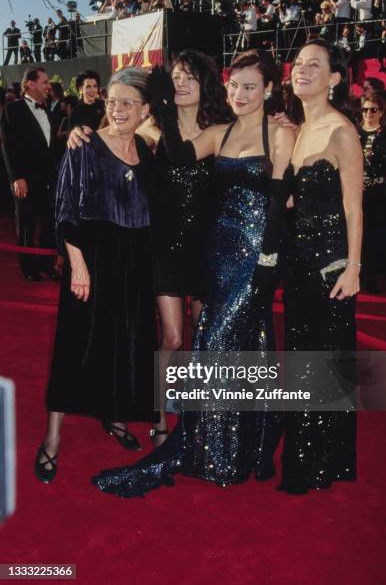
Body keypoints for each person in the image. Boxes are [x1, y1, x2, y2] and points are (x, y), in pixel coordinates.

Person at [91, 49, 295, 498]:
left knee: (228, 341)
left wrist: (270, 256)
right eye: (235, 85)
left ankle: (228, 437)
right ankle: (184, 426)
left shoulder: (261, 130)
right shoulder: (196, 132)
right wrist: (87, 132)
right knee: (188, 340)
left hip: (231, 254)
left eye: (249, 86)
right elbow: (161, 155)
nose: (239, 93)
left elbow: (283, 197)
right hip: (186, 249)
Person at [69, 50, 234, 447]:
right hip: (163, 245)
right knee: (173, 338)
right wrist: (84, 133)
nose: (180, 82)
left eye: (189, 76)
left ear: (205, 84)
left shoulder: (224, 128)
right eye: (175, 75)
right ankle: (158, 415)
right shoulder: (152, 130)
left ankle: (196, 412)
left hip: (207, 246)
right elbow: (114, 142)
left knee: (204, 337)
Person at [34, 67, 159, 484]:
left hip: (135, 262)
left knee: (125, 344)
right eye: (113, 101)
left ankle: (117, 416)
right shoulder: (84, 144)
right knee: (74, 344)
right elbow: (65, 207)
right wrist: (78, 262)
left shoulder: (147, 150)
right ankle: (52, 439)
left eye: (128, 103)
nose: (118, 109)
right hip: (91, 257)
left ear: (145, 110)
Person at [280, 39, 363, 494]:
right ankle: (312, 459)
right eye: (298, 63)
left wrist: (353, 267)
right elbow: (293, 200)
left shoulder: (340, 130)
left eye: (316, 65)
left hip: (331, 264)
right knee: (303, 362)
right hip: (298, 265)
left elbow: (354, 205)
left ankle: (320, 463)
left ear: (334, 79)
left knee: (326, 363)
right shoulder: (297, 131)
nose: (303, 70)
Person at [0, 67, 59, 281]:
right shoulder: (12, 109)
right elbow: (7, 147)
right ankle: (28, 268)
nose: (48, 85)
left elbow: (49, 146)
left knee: (50, 223)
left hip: (47, 180)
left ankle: (46, 265)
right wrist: (16, 177)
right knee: (27, 224)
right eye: (44, 82)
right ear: (30, 84)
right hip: (25, 180)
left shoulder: (48, 110)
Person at [359, 93, 386, 294]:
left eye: (373, 109)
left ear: (381, 112)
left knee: (372, 237)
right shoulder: (353, 132)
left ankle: (369, 275)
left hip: (378, 194)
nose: (369, 113)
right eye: (365, 109)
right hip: (355, 192)